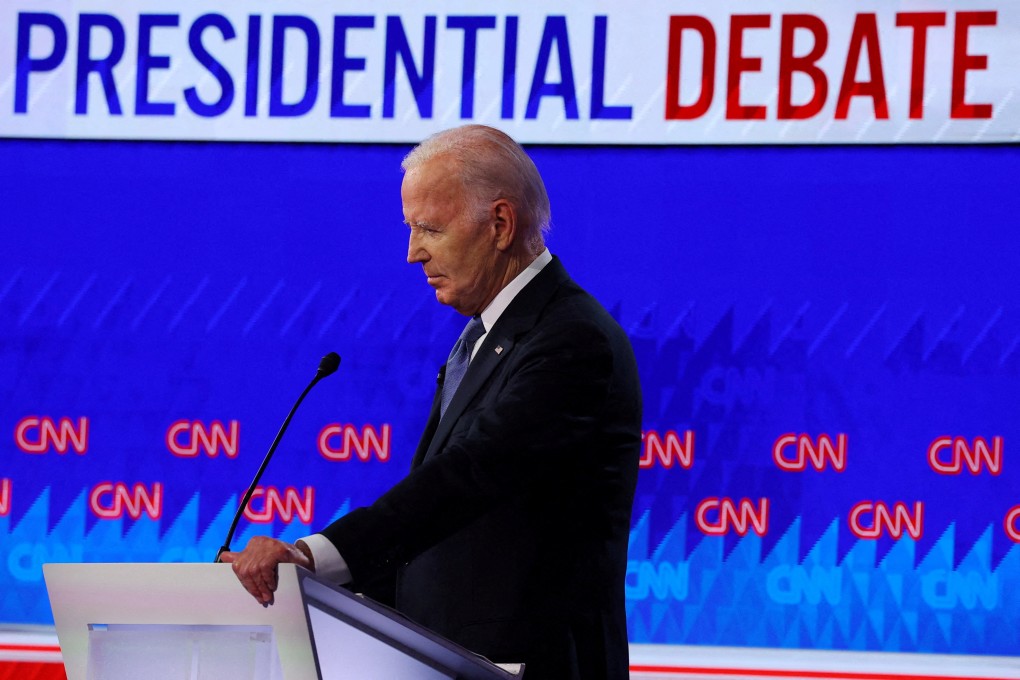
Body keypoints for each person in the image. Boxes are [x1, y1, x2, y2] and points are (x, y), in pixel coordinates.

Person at [221, 124, 642, 679]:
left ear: (499, 224)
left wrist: (313, 557)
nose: (412, 253)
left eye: (429, 228)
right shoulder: (488, 335)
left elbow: (469, 477)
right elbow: (440, 533)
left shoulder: (570, 338)